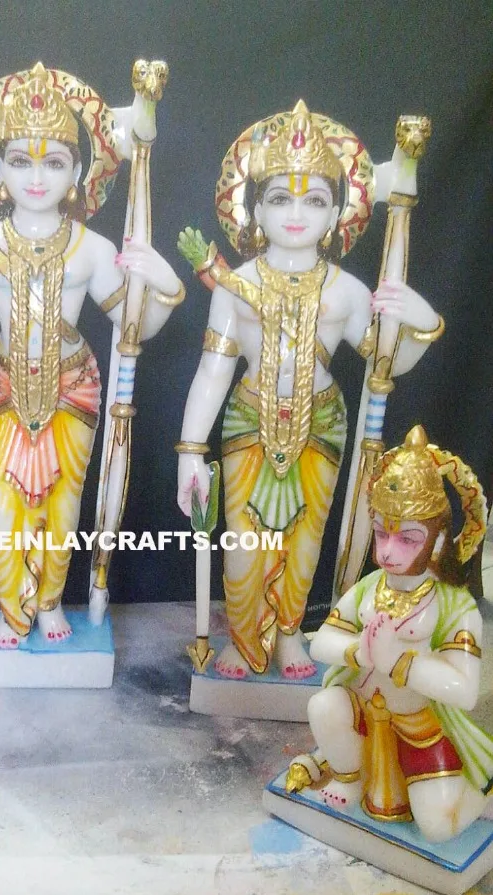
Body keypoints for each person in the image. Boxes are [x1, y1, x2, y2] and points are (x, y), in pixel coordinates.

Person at [176, 101, 442, 680]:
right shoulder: (234, 285)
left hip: (321, 425)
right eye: (280, 198)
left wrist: (422, 322)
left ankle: (290, 634)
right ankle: (244, 639)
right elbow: (213, 371)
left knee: (305, 541)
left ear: (337, 213)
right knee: (242, 544)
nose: (296, 214)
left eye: (315, 200)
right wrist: (190, 452)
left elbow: (385, 363)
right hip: (249, 421)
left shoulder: (346, 291)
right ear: (254, 208)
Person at [0, 63, 181, 648]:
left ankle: (47, 604)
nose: (37, 178)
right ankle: (10, 610)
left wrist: (166, 286)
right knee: (2, 509)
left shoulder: (90, 247)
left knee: (61, 508)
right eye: (21, 161)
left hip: (73, 385)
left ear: (77, 173)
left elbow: (134, 327)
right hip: (5, 384)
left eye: (54, 162)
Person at [288, 426, 493, 842]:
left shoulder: (455, 606)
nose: (387, 552)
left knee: (437, 829)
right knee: (324, 705)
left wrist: (399, 661)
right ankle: (348, 778)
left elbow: (463, 690)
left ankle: (479, 792)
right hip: (364, 712)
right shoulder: (370, 587)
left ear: (438, 540)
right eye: (382, 533)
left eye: (407, 539)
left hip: (420, 726)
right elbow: (323, 642)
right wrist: (361, 653)